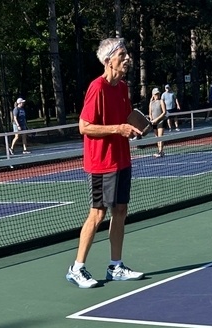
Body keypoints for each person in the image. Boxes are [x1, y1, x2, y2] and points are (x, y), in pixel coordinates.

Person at [65, 36, 146, 289]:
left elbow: (125, 119)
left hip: (122, 159)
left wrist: (136, 125)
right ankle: (77, 268)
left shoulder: (122, 87)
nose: (127, 59)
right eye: (122, 55)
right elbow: (84, 126)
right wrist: (118, 128)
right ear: (108, 60)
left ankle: (116, 266)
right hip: (100, 162)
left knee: (120, 210)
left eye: (127, 54)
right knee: (98, 213)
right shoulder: (96, 87)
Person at [147, 87, 167, 157]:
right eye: (156, 94)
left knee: (160, 136)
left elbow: (164, 112)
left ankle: (160, 151)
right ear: (153, 95)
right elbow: (150, 113)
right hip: (154, 122)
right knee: (156, 137)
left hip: (161, 121)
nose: (157, 95)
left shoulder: (161, 101)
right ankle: (159, 150)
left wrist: (157, 119)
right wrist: (152, 119)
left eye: (158, 94)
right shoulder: (151, 103)